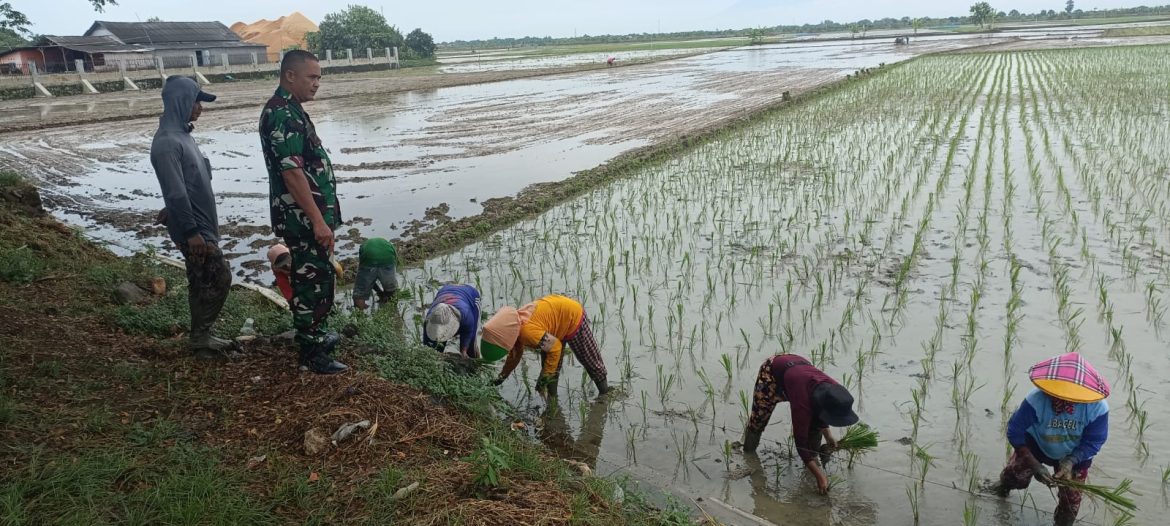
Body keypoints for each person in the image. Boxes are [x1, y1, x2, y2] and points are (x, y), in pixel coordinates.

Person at [259, 50, 346, 375]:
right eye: (312, 77)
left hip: (308, 217)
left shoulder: (291, 109)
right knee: (312, 279)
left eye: (319, 77)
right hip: (303, 219)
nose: (317, 83)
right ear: (290, 75)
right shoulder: (281, 114)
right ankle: (312, 351)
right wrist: (318, 221)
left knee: (319, 274)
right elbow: (292, 173)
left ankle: (317, 334)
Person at [150, 75, 233, 356]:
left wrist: (172, 209)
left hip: (199, 222)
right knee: (218, 277)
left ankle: (202, 335)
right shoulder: (167, 143)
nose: (200, 108)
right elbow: (175, 192)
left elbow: (184, 183)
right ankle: (200, 336)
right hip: (194, 229)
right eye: (197, 101)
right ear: (182, 101)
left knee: (202, 280)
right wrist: (190, 231)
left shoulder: (183, 136)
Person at [992, 352, 1110, 526]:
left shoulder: (1097, 408)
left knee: (1070, 502)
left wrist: (1071, 461)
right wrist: (1034, 465)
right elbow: (1015, 431)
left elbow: (1094, 441)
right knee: (1015, 477)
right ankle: (1000, 490)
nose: (1065, 397)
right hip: (1036, 445)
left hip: (1075, 454)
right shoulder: (1036, 399)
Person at [741, 354, 859, 494]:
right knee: (759, 418)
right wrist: (820, 476)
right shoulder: (802, 402)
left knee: (814, 424)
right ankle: (748, 454)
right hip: (772, 372)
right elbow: (800, 442)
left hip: (798, 371)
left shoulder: (835, 391)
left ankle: (812, 459)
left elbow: (822, 412)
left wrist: (828, 436)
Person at [482, 294, 610, 396]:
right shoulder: (513, 328)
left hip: (572, 315)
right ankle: (553, 400)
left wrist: (544, 377)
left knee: (589, 358)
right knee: (550, 365)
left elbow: (555, 347)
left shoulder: (526, 332)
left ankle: (604, 394)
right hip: (553, 326)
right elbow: (514, 356)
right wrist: (501, 378)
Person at [422, 284, 481, 358]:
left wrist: (464, 351)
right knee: (436, 349)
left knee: (470, 349)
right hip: (445, 291)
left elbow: (468, 332)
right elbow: (428, 348)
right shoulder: (429, 320)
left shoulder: (466, 314)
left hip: (470, 295)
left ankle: (475, 362)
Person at [353, 237, 399, 310]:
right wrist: (381, 292)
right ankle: (392, 310)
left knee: (359, 295)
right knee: (391, 291)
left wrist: (379, 292)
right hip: (387, 258)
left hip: (368, 257)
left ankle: (360, 313)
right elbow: (395, 260)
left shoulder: (364, 246)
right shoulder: (389, 245)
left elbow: (369, 278)